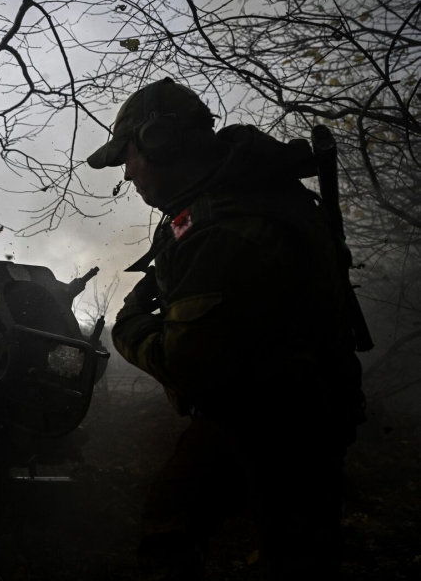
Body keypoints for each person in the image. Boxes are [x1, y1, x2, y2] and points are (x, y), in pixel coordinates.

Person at [87, 78, 366, 580]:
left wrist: (128, 326)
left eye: (128, 157)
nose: (128, 174)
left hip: (283, 420)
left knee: (288, 555)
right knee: (172, 526)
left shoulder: (229, 226)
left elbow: (188, 366)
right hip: (269, 401)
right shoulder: (241, 193)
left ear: (159, 142)